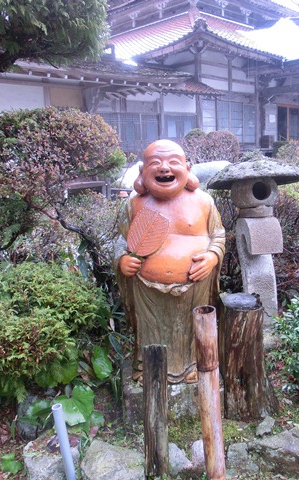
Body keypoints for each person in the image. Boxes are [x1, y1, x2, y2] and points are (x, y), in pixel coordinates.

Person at [116, 140, 225, 384]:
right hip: (146, 288)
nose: (164, 168)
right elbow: (120, 240)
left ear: (187, 168)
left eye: (173, 163)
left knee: (191, 328)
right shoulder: (134, 203)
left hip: (194, 285)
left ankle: (192, 366)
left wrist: (212, 256)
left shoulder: (204, 201)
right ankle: (148, 367)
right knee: (150, 330)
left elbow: (218, 234)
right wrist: (122, 259)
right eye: (155, 163)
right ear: (142, 172)